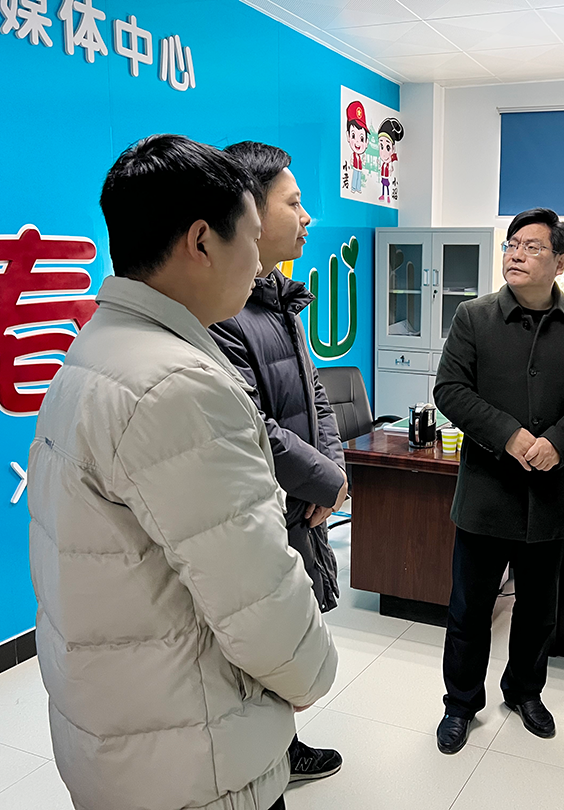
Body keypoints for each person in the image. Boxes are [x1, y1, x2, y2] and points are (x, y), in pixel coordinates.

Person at [28, 134, 337, 810]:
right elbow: (256, 596)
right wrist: (314, 672)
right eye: (249, 238)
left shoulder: (96, 352)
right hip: (196, 753)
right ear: (201, 241)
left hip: (126, 728)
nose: (258, 260)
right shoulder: (179, 385)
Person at [432, 207, 564, 754]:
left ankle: (524, 691)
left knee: (537, 612)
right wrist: (509, 436)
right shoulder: (474, 317)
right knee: (470, 609)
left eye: (532, 246)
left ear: (560, 261)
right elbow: (450, 389)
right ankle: (460, 703)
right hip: (487, 494)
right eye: (511, 244)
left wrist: (558, 442)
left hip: (550, 495)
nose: (515, 253)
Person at [210, 141, 347, 785]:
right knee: (260, 646)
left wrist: (333, 472)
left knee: (288, 636)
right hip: (265, 508)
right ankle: (268, 759)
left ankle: (282, 750)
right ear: (250, 213)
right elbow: (249, 422)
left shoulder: (274, 297)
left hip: (300, 503)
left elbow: (314, 393)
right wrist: (323, 479)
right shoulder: (222, 312)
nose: (307, 215)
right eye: (293, 202)